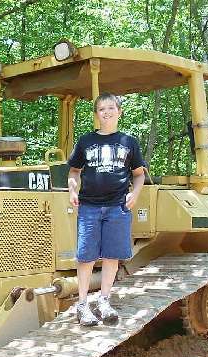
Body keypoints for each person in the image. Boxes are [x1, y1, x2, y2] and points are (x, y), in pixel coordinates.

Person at [67, 93, 147, 326]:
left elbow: (139, 175)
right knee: (86, 256)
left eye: (111, 108)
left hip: (117, 207)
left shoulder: (129, 142)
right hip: (89, 206)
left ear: (119, 112)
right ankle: (82, 305)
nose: (107, 112)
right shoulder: (85, 141)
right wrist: (72, 190)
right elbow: (74, 171)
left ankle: (104, 300)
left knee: (112, 256)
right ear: (97, 114)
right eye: (101, 109)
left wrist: (135, 193)